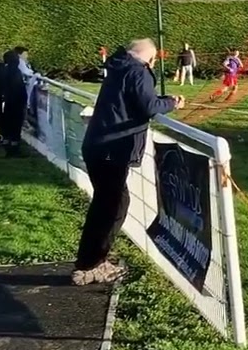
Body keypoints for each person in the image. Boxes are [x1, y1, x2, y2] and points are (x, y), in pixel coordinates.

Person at [74, 39, 184, 286]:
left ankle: (91, 258)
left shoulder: (118, 67)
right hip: (112, 149)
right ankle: (90, 265)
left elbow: (136, 100)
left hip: (98, 145)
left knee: (107, 205)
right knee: (112, 207)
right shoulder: (137, 72)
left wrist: (163, 99)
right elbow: (148, 106)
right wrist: (172, 103)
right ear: (150, 58)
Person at [1, 50, 29, 157]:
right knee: (15, 125)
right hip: (16, 102)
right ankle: (14, 148)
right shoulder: (15, 72)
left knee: (8, 124)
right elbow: (18, 88)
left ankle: (7, 144)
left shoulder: (5, 70)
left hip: (9, 101)